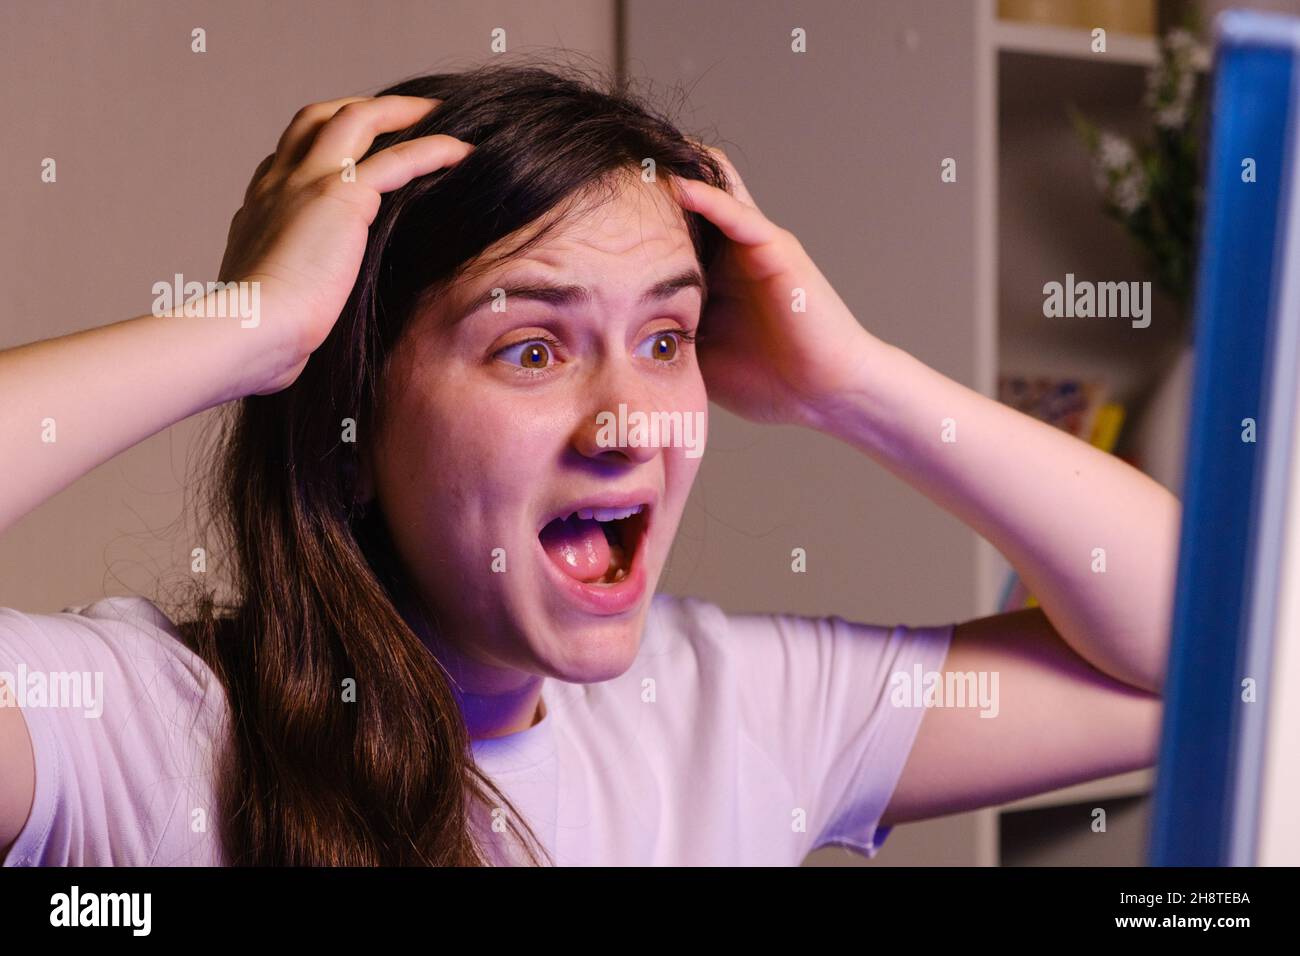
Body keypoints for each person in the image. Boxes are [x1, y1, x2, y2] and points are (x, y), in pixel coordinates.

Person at [0, 62, 1172, 866]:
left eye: (665, 338)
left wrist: (852, 382)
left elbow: (1208, 657)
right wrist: (241, 331)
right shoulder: (138, 729)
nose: (631, 423)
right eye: (532, 346)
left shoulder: (739, 706)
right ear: (349, 430)